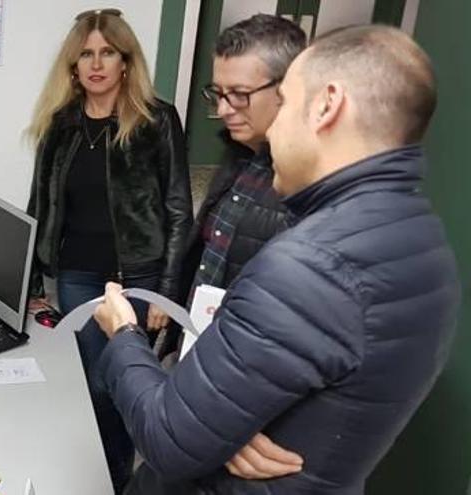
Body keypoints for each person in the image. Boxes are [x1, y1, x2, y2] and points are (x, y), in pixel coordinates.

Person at [93, 25, 460, 494]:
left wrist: (123, 335)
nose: (272, 126)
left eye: (284, 102)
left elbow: (168, 438)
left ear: (327, 105)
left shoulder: (310, 264)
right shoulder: (424, 242)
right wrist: (221, 422)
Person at [24, 8, 192, 491]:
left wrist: (167, 291)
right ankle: (103, 479)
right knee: (92, 384)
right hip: (77, 276)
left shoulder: (156, 121)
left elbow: (179, 210)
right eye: (86, 55)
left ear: (125, 61)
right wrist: (31, 283)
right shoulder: (60, 126)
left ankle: (118, 481)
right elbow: (40, 203)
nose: (96, 64)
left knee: (120, 383)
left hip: (140, 278)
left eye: (107, 53)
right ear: (73, 67)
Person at [160, 15, 305, 361]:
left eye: (239, 95)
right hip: (200, 356)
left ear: (290, 88)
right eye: (218, 93)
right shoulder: (241, 156)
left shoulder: (305, 182)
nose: (223, 109)